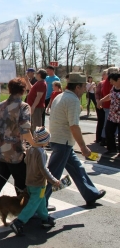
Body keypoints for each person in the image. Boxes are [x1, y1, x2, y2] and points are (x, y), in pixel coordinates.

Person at [0, 78, 39, 219]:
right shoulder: (23, 107)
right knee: (22, 183)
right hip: (15, 153)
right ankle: (26, 212)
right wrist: (34, 144)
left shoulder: (0, 105)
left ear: (10, 89)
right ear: (23, 90)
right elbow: (25, 129)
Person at [45, 72, 106, 209]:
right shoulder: (72, 100)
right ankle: (38, 205)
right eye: (84, 86)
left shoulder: (61, 96)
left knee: (77, 169)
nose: (85, 89)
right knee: (52, 175)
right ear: (77, 87)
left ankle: (90, 193)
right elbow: (74, 126)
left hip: (60, 140)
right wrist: (83, 147)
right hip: (63, 142)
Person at [10, 127, 60, 236]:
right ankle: (19, 222)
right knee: (33, 204)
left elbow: (25, 161)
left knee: (40, 202)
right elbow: (44, 169)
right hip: (39, 184)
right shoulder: (41, 152)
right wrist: (53, 180)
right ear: (45, 141)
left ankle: (45, 219)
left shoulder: (30, 149)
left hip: (29, 182)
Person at [97, 73, 120, 155]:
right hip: (113, 115)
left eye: (112, 81)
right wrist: (101, 101)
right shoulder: (114, 87)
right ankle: (111, 149)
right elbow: (110, 96)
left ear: (118, 79)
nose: (111, 83)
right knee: (108, 130)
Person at [26, 69, 47, 134]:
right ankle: (33, 140)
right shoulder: (38, 82)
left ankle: (38, 141)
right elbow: (31, 88)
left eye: (37, 73)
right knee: (32, 124)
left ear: (39, 75)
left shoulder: (42, 83)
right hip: (34, 106)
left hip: (37, 107)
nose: (35, 74)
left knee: (36, 125)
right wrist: (27, 81)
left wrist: (33, 107)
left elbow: (39, 97)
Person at [95, 70, 108, 143]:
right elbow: (97, 93)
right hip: (101, 105)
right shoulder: (101, 83)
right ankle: (99, 138)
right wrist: (98, 102)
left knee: (105, 122)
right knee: (101, 121)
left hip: (106, 105)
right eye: (106, 74)